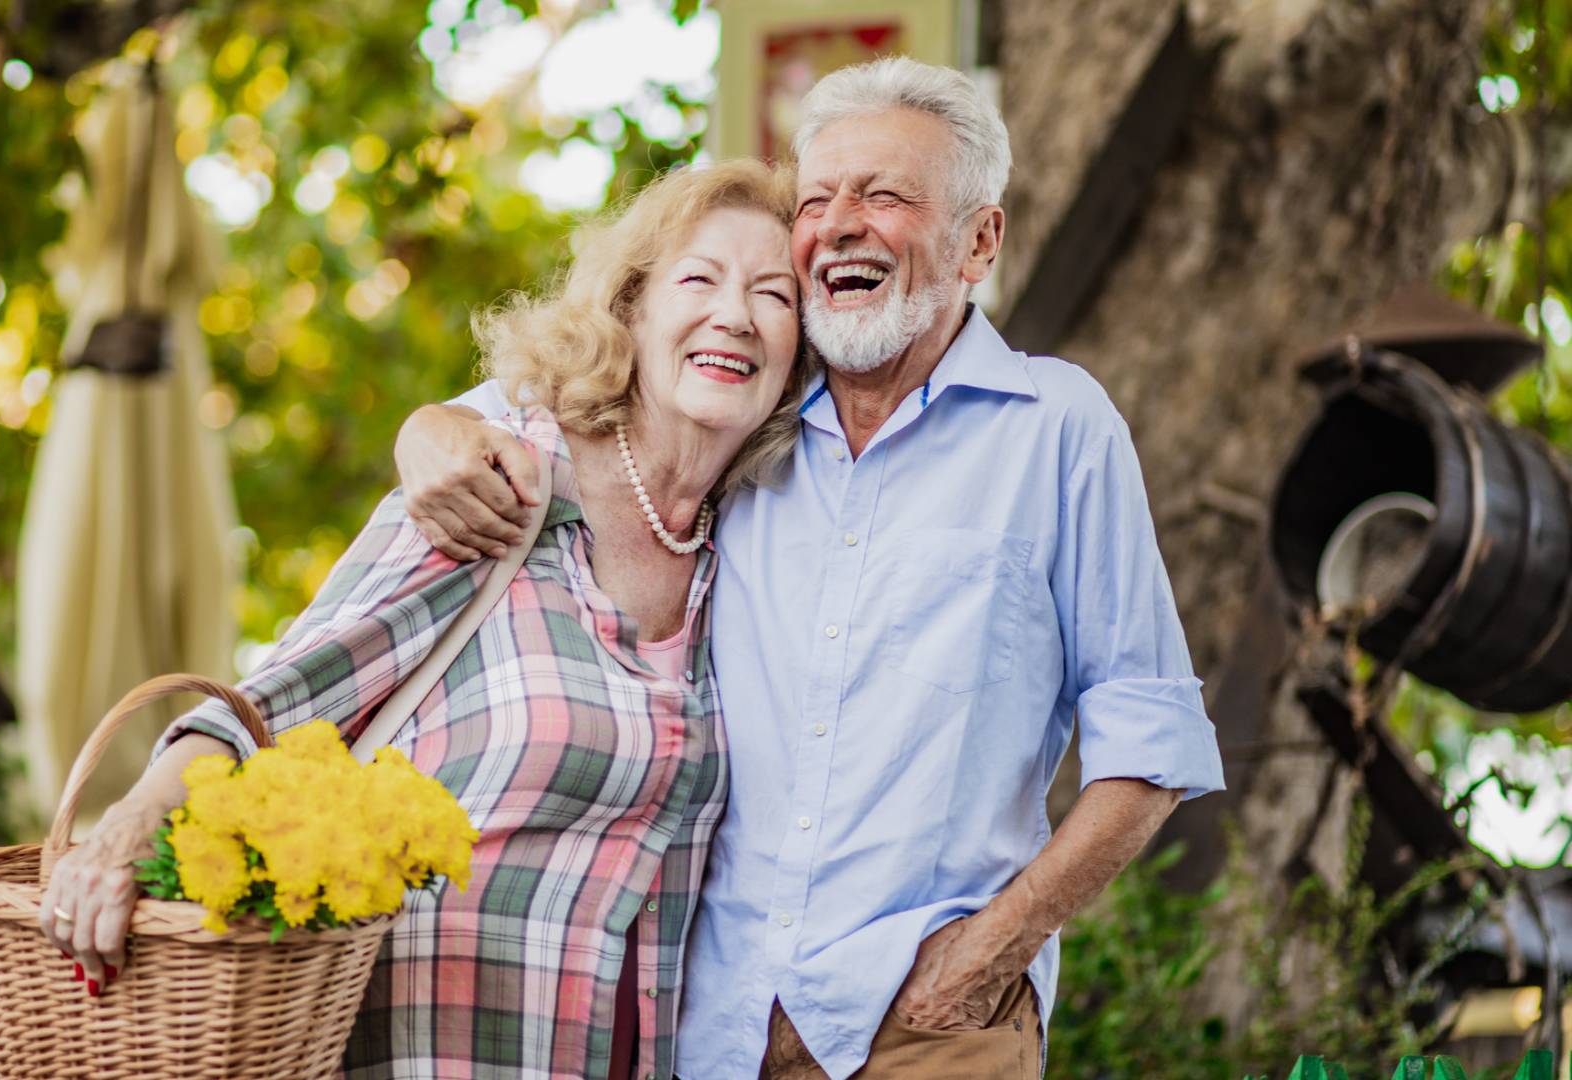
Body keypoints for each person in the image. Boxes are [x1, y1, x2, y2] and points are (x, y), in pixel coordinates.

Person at [396, 58, 1225, 1079]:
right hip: (710, 1027)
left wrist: (981, 963)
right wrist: (435, 428)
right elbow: (588, 404)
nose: (840, 223)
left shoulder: (1056, 428)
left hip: (934, 1029)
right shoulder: (751, 415)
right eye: (818, 199)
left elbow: (1149, 745)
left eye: (884, 195)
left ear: (980, 239)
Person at [37, 159, 803, 1080]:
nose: (736, 315)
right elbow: (271, 708)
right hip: (417, 1052)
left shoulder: (754, 556)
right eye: (700, 279)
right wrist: (125, 832)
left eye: (775, 295)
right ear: (631, 309)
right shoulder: (500, 486)